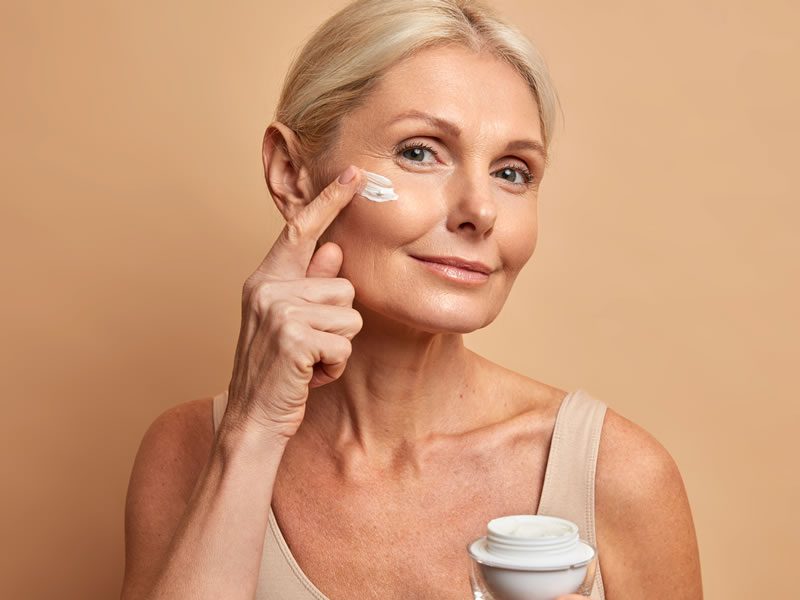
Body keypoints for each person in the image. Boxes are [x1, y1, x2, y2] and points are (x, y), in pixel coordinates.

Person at [120, 1, 702, 599]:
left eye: (513, 171)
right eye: (419, 152)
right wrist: (253, 432)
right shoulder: (187, 452)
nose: (479, 210)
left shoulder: (619, 476)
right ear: (293, 173)